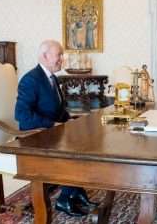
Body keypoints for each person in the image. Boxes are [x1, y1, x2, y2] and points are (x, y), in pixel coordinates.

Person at [15, 40, 98, 217]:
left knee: (85, 141)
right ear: (45, 56)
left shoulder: (52, 78)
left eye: (62, 55)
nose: (62, 59)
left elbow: (60, 113)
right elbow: (22, 116)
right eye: (59, 55)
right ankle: (64, 199)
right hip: (35, 137)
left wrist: (74, 122)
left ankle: (77, 192)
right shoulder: (31, 80)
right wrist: (52, 125)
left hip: (53, 133)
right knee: (72, 148)